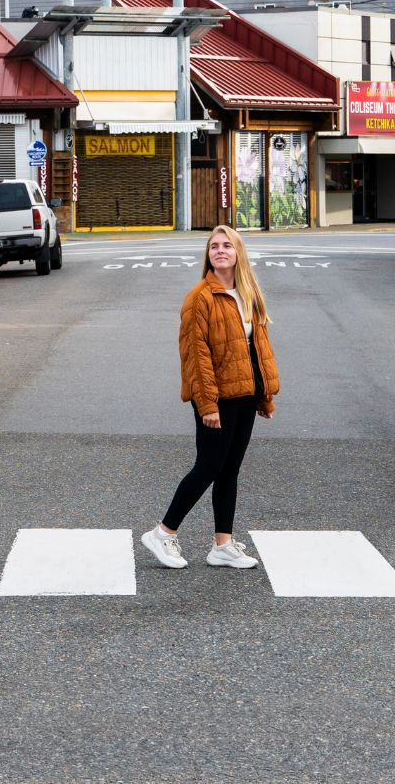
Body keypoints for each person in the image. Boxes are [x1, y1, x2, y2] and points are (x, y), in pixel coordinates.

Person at [141, 225, 280, 571]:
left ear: (238, 253)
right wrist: (207, 405)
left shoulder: (249, 295)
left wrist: (264, 397)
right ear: (208, 255)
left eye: (227, 246)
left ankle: (222, 544)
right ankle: (162, 532)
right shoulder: (199, 297)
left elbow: (258, 350)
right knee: (208, 467)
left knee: (229, 470)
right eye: (214, 246)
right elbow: (195, 356)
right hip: (216, 397)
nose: (220, 250)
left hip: (246, 395)